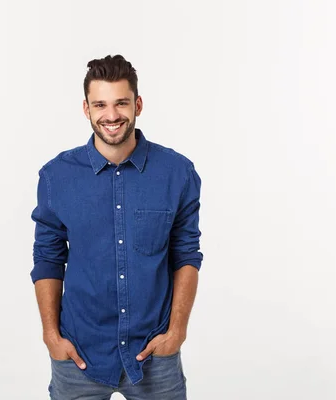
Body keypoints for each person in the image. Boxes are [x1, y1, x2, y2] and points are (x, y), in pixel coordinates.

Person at [30, 54, 203, 400]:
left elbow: (186, 255)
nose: (111, 116)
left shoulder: (177, 173)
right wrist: (51, 335)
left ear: (137, 104)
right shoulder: (56, 177)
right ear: (86, 109)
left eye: (121, 103)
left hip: (155, 354)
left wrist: (177, 332)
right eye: (100, 105)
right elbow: (48, 258)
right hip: (79, 353)